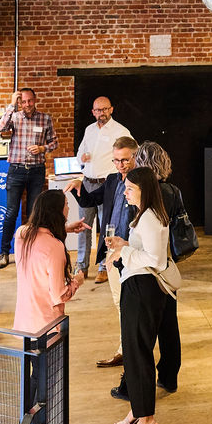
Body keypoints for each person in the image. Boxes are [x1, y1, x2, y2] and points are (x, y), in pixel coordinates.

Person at [110, 141, 183, 398]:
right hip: (167, 270)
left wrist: (124, 251)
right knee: (168, 327)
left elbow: (151, 254)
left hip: (150, 274)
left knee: (140, 338)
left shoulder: (149, 200)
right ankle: (168, 377)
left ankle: (133, 388)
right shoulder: (173, 190)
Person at [105, 166, 172, 424]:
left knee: (138, 354)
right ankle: (137, 409)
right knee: (133, 353)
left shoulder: (150, 219)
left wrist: (124, 251)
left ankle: (146, 419)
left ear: (145, 190)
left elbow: (156, 259)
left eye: (130, 188)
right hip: (137, 286)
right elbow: (144, 250)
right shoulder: (144, 215)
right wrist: (124, 244)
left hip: (143, 289)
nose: (125, 192)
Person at [64, 136, 138, 369]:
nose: (120, 165)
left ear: (135, 157)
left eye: (125, 160)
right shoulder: (112, 180)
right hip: (112, 251)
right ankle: (125, 349)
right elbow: (89, 201)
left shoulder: (142, 182)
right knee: (119, 301)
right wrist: (79, 187)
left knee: (132, 303)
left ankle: (130, 350)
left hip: (133, 251)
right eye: (116, 160)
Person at [0, 88, 58, 269]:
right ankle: (4, 253)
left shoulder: (45, 118)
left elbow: (54, 142)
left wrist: (42, 148)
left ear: (35, 100)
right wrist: (11, 104)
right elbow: (1, 128)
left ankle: (30, 252)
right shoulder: (14, 117)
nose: (27, 104)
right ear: (19, 102)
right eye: (23, 101)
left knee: (33, 213)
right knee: (11, 213)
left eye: (30, 101)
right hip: (16, 170)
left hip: (37, 171)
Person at [75, 96, 132, 283]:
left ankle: (104, 266)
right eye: (98, 110)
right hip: (87, 182)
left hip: (107, 184)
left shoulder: (120, 131)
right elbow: (80, 153)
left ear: (111, 109)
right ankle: (81, 266)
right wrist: (82, 159)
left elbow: (133, 152)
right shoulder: (89, 130)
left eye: (105, 109)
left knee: (107, 227)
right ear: (93, 112)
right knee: (83, 226)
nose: (102, 113)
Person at [12, 190, 86, 332]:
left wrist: (65, 229)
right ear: (57, 212)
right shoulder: (54, 246)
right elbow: (59, 295)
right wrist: (77, 281)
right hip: (48, 324)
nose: (68, 208)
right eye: (66, 204)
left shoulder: (22, 234)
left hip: (25, 321)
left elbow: (39, 234)